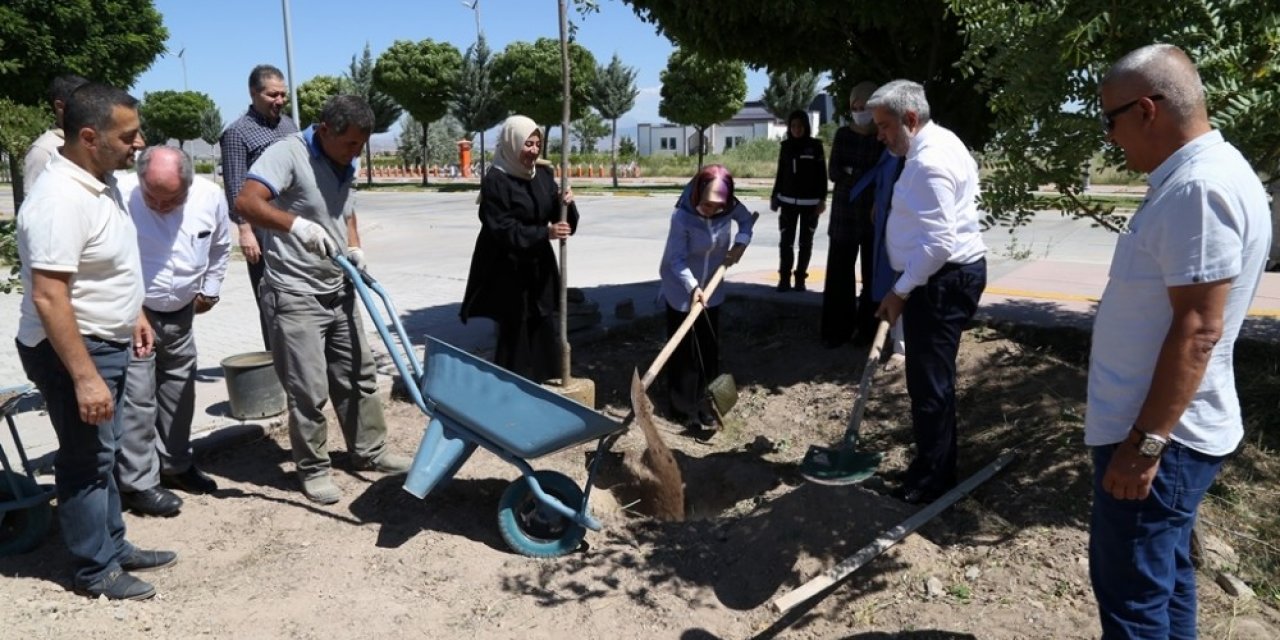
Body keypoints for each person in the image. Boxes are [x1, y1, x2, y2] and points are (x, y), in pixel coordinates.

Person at [1087, 44, 1270, 639]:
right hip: (1163, 435)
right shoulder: (1201, 176)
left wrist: (1143, 446)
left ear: (1145, 110)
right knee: (1164, 582)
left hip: (1161, 441)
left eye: (1108, 120)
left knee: (1134, 601)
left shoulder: (1198, 189)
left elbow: (1198, 331)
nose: (1109, 137)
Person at [15, 82, 176, 601]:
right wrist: (85, 378)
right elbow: (49, 297)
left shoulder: (97, 181)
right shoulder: (59, 198)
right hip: (72, 350)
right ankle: (94, 569)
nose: (139, 142)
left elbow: (103, 268)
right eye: (128, 135)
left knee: (103, 455)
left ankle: (113, 544)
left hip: (104, 339)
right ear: (89, 136)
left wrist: (135, 313)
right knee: (86, 461)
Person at [234, 95, 409, 505]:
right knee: (308, 390)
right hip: (294, 292)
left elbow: (346, 211)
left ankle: (370, 450)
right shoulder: (286, 154)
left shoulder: (349, 158)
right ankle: (312, 469)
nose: (356, 152)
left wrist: (355, 248)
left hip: (338, 286)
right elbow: (246, 202)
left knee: (359, 377)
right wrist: (295, 226)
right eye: (350, 144)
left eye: (362, 145)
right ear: (325, 130)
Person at [868, 80, 987, 505]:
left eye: (884, 126)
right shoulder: (939, 142)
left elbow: (938, 244)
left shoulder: (929, 162)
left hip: (940, 282)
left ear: (911, 120)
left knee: (929, 385)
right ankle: (935, 464)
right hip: (938, 278)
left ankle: (933, 481)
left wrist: (899, 291)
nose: (879, 134)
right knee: (930, 382)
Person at [115, 146, 231, 517]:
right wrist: (133, 309)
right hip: (135, 314)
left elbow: (219, 246)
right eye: (154, 199)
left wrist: (210, 290)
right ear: (140, 182)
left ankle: (175, 466)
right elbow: (104, 261)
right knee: (137, 399)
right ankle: (138, 484)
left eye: (173, 200)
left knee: (179, 391)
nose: (163, 207)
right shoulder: (119, 192)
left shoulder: (209, 196)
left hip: (182, 311)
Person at [460, 115, 579, 382]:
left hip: (540, 268)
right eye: (528, 144)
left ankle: (548, 385)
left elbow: (563, 221)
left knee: (546, 324)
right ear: (512, 144)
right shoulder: (496, 181)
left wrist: (566, 204)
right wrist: (544, 232)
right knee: (516, 331)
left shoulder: (544, 175)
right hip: (509, 269)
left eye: (538, 144)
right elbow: (501, 228)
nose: (534, 150)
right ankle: (513, 390)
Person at [659, 165, 755, 430]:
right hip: (681, 288)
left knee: (708, 347)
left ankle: (707, 404)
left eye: (717, 206)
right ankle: (682, 408)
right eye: (707, 204)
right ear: (698, 194)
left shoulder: (729, 206)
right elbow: (676, 260)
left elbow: (746, 221)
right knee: (685, 352)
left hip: (713, 286)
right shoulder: (682, 216)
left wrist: (741, 243)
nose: (712, 210)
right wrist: (692, 287)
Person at [220, 64, 298, 350]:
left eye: (283, 95)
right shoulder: (237, 134)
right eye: (272, 95)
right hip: (263, 230)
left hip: (292, 223)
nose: (279, 101)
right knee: (271, 298)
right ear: (253, 93)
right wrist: (245, 231)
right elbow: (235, 186)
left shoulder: (289, 126)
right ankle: (277, 359)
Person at [823, 82, 886, 347]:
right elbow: (835, 172)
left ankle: (868, 332)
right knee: (839, 275)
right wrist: (860, 175)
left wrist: (854, 173)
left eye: (865, 107)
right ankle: (836, 331)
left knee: (872, 276)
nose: (859, 112)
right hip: (844, 215)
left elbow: (885, 175)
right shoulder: (843, 135)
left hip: (872, 216)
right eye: (855, 108)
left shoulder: (882, 137)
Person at [770, 109, 827, 292]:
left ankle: (800, 279)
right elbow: (780, 174)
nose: (796, 129)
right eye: (793, 126)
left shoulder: (815, 146)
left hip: (810, 204)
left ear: (806, 126)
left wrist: (822, 199)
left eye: (800, 126)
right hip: (787, 202)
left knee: (805, 243)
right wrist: (774, 196)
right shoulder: (785, 146)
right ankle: (784, 279)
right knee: (786, 242)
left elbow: (822, 176)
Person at [23, 74, 89, 194]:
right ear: (60, 106)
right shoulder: (43, 151)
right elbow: (35, 203)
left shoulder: (94, 142)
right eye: (83, 104)